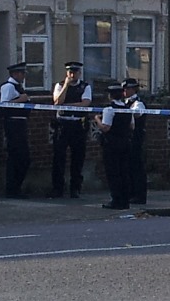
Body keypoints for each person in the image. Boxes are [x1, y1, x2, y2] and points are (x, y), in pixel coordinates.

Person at [50, 61, 90, 198]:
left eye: (75, 72)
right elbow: (57, 102)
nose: (72, 75)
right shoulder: (60, 85)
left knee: (78, 158)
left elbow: (85, 103)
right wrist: (66, 86)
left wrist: (68, 105)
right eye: (70, 72)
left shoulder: (85, 86)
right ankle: (58, 188)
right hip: (62, 124)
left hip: (77, 124)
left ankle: (75, 188)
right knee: (59, 157)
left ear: (79, 73)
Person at [96, 81, 135, 210]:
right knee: (124, 172)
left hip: (112, 144)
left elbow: (106, 127)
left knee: (113, 173)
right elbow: (132, 126)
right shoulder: (127, 109)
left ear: (110, 95)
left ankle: (116, 200)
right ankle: (125, 200)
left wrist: (97, 120)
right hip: (125, 143)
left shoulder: (109, 109)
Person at [0, 62, 31, 196]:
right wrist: (21, 99)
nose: (23, 76)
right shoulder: (8, 87)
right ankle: (12, 189)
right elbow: (4, 105)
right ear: (15, 74)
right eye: (22, 73)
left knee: (23, 158)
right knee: (17, 157)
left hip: (20, 124)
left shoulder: (17, 87)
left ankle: (16, 187)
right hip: (13, 124)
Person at [122, 78, 150, 206]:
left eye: (126, 89)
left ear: (133, 89)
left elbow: (136, 115)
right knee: (128, 167)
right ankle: (131, 193)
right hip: (128, 139)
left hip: (136, 139)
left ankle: (139, 195)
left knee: (137, 168)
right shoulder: (126, 102)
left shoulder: (138, 103)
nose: (124, 91)